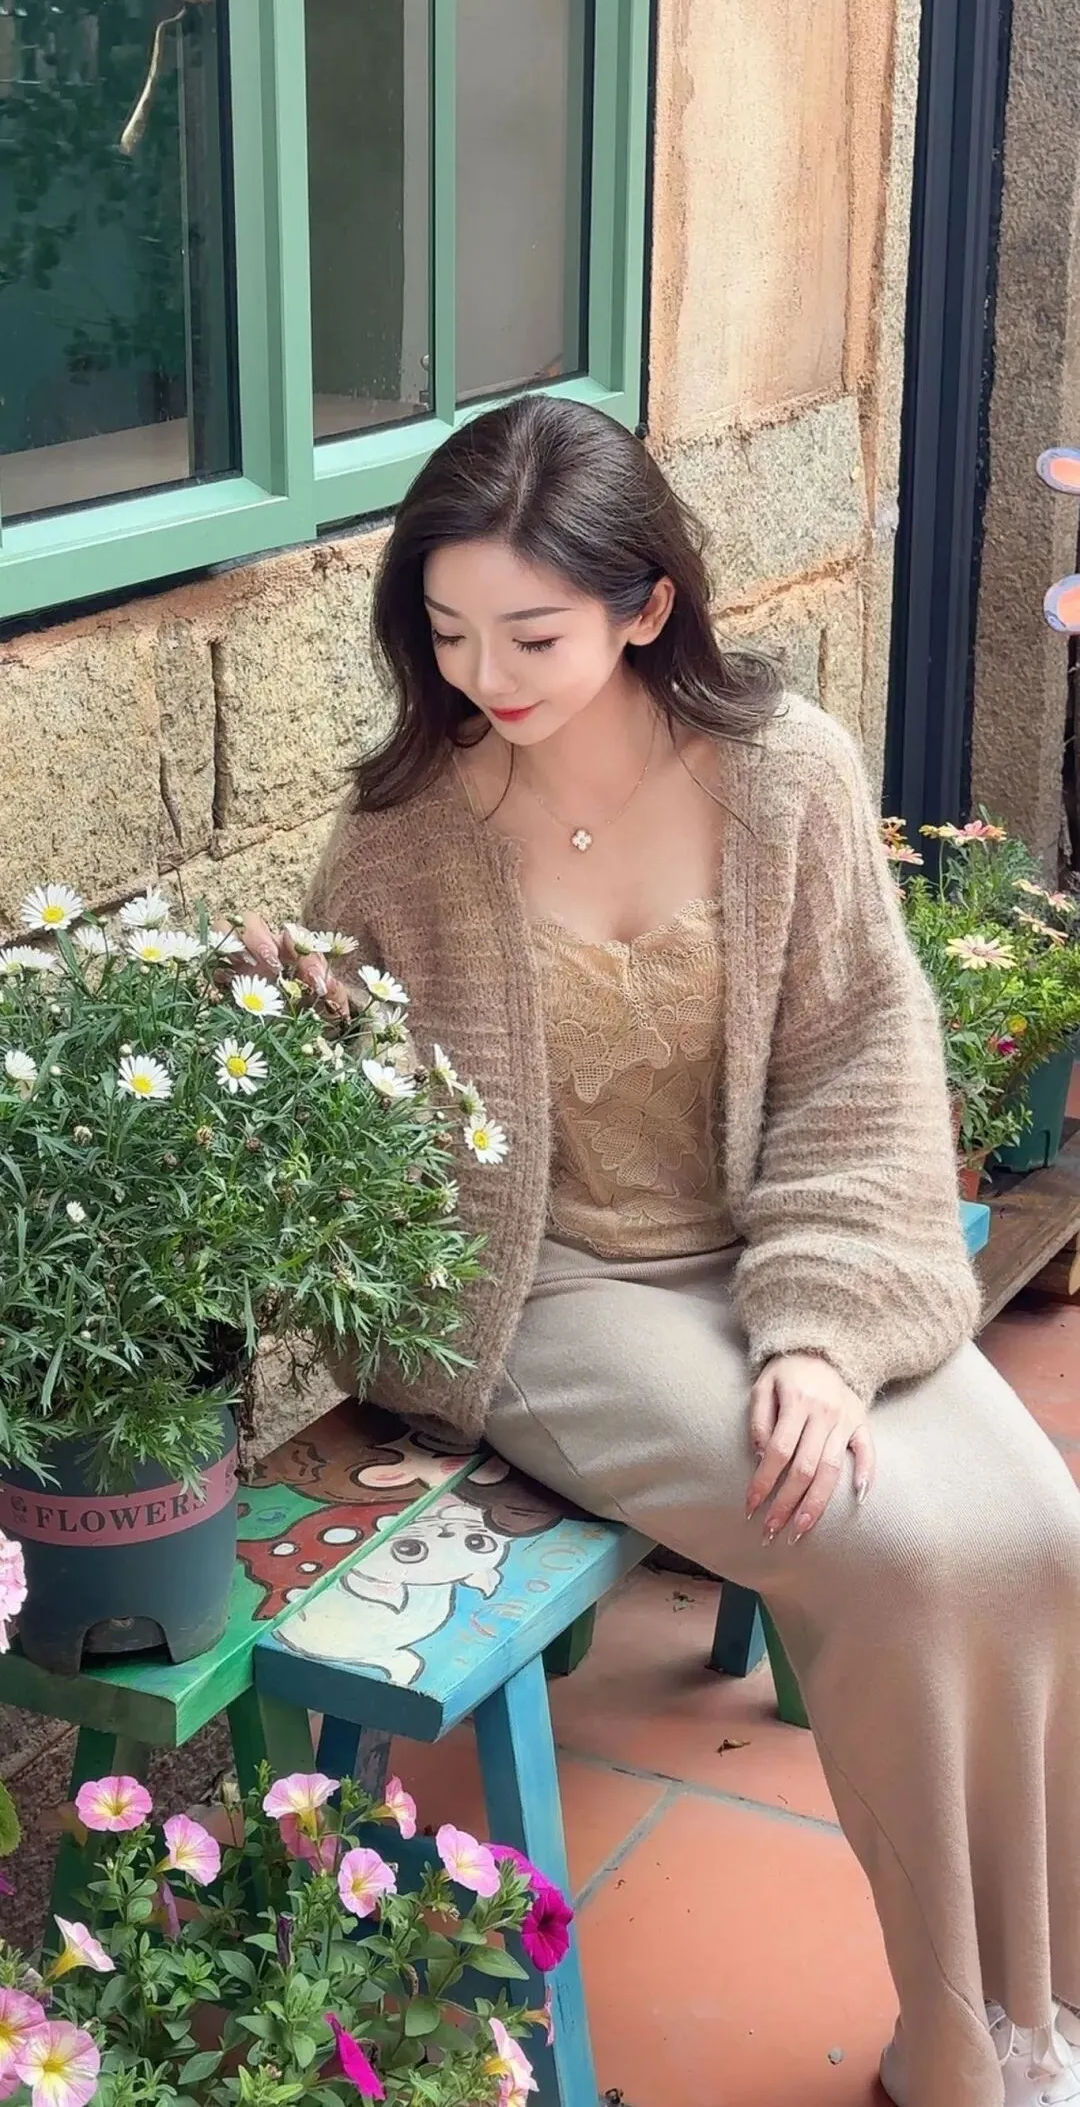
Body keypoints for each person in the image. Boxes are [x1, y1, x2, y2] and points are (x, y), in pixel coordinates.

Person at [242, 395, 1080, 2107]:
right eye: (447, 630)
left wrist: (822, 1332)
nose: (484, 673)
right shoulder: (404, 832)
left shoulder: (783, 775)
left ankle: (1038, 2013)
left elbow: (860, 1058)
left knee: (1037, 1533)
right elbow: (375, 1132)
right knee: (881, 1541)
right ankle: (960, 2050)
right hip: (541, 1291)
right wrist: (311, 1028)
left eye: (531, 632)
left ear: (646, 606)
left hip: (784, 1244)